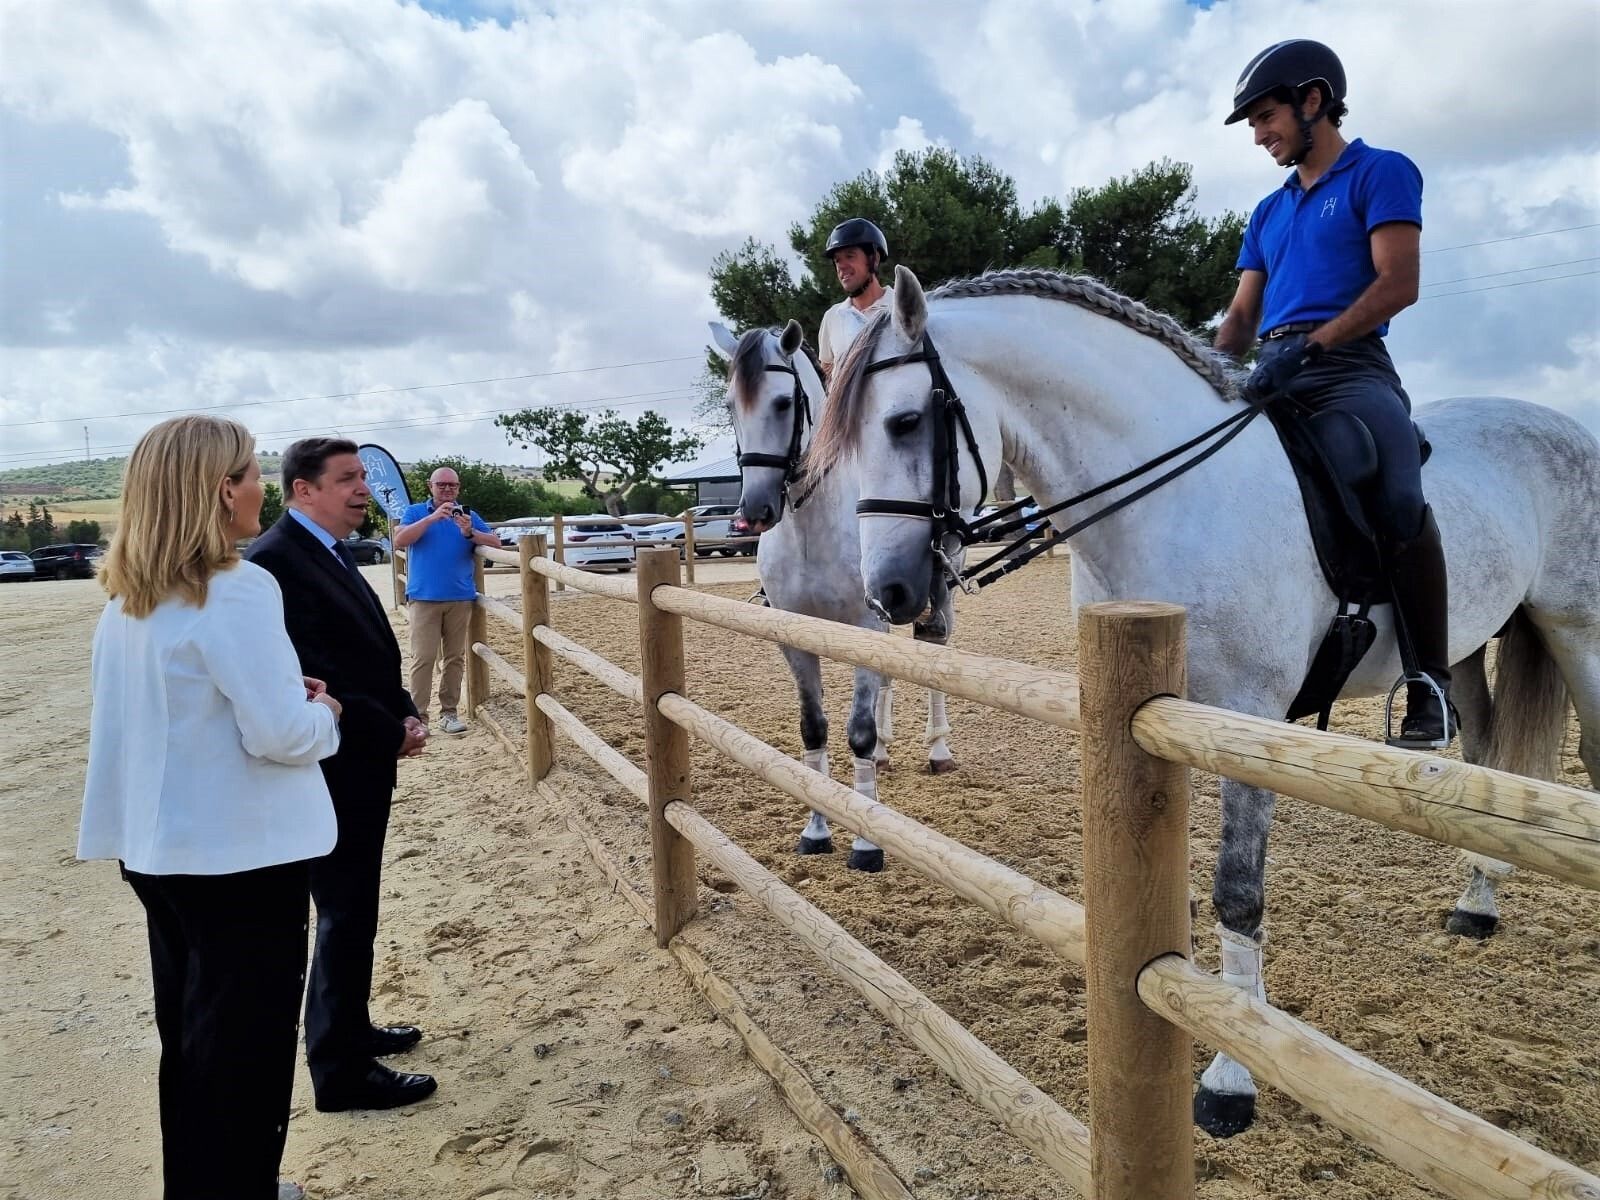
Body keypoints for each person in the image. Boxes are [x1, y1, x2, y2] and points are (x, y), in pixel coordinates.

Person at [79, 414, 343, 1200]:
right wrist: (327, 716)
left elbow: (168, 714)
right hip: (240, 859)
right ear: (222, 489)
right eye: (253, 471)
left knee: (191, 1042)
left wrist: (277, 704)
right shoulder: (236, 587)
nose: (261, 485)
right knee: (247, 1051)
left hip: (159, 851)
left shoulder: (126, 598)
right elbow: (280, 737)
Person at [1214, 39, 1453, 749]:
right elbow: (1239, 319)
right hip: (1274, 370)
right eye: (1255, 124)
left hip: (1352, 370)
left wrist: (1313, 347)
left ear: (1312, 100)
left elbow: (1397, 284)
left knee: (1393, 483)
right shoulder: (1268, 211)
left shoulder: (1380, 173)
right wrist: (1202, 370)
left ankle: (1429, 685)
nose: (1259, 136)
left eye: (1265, 119)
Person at [246, 437, 438, 1111]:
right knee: (342, 911)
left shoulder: (324, 549)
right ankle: (340, 1071)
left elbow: (369, 656)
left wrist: (405, 711)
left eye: (363, 476)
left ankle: (349, 1030)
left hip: (357, 754)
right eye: (347, 478)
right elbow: (309, 674)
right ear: (303, 489)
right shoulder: (273, 562)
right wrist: (390, 729)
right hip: (329, 766)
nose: (364, 488)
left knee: (355, 910)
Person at [392, 467, 498, 734]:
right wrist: (432, 519)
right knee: (423, 658)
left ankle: (448, 713)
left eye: (452, 485)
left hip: (460, 598)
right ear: (431, 486)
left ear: (459, 488)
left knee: (454, 658)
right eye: (442, 485)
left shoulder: (468, 515)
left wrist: (470, 533)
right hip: (423, 598)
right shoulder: (415, 512)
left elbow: (496, 543)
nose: (447, 489)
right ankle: (419, 718)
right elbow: (399, 540)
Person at [816, 217, 895, 379]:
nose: (841, 266)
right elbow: (827, 376)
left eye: (850, 256)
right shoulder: (832, 317)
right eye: (837, 261)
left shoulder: (902, 307)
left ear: (874, 258)